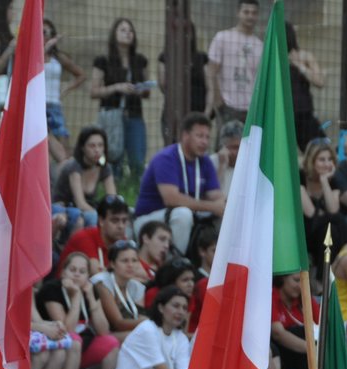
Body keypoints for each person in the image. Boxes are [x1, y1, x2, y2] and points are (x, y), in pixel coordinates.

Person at [132, 113, 223, 259]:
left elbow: (216, 195)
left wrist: (221, 205)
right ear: (185, 135)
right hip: (149, 221)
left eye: (207, 137)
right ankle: (173, 265)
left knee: (224, 215)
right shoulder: (166, 158)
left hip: (180, 216)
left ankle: (217, 265)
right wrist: (213, 207)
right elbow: (172, 199)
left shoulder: (204, 161)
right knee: (183, 214)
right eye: (199, 136)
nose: (205, 142)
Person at [108, 285, 191, 369]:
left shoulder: (180, 338)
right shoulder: (147, 329)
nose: (181, 311)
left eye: (184, 308)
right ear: (161, 308)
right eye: (176, 306)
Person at [89, 18, 152, 179]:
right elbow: (94, 91)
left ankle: (135, 193)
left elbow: (147, 92)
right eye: (123, 30)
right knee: (111, 159)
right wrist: (117, 87)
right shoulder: (103, 60)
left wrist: (139, 90)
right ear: (114, 34)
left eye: (130, 30)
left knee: (137, 160)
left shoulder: (140, 61)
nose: (128, 33)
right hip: (111, 114)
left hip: (135, 115)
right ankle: (110, 192)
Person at [206, 0, 263, 128]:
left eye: (254, 13)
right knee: (226, 146)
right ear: (238, 13)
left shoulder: (260, 46)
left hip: (251, 110)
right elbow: (211, 71)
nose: (250, 16)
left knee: (250, 147)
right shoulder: (223, 37)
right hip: (228, 105)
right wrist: (218, 101)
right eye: (246, 12)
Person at [53, 128, 118, 234]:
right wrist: (102, 216)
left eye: (100, 145)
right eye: (92, 146)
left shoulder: (104, 167)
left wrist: (113, 214)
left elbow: (112, 198)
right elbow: (80, 203)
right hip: (63, 208)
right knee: (92, 217)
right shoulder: (74, 166)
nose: (97, 150)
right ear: (82, 147)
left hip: (85, 210)